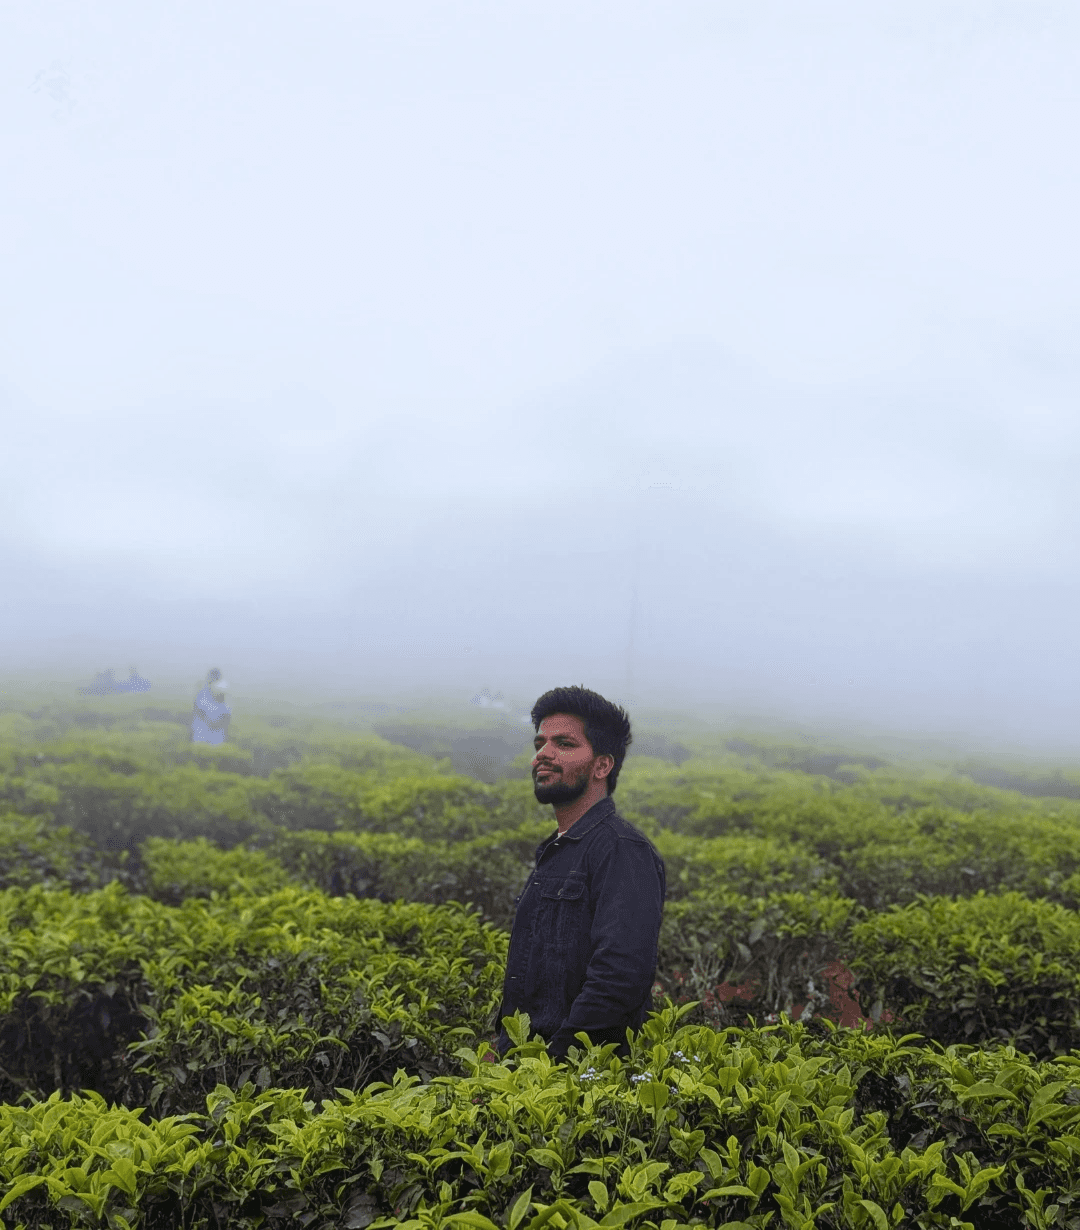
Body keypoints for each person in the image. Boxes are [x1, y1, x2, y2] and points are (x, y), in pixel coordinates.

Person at [497, 685, 666, 1059]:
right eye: (540, 743)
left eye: (564, 744)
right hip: (523, 1075)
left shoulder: (622, 851)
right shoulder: (557, 849)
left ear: (602, 765)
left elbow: (619, 978)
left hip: (572, 1081)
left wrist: (557, 1064)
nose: (543, 754)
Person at [191, 669, 231, 745]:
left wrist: (217, 724)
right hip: (202, 734)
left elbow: (226, 717)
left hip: (216, 737)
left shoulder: (222, 693)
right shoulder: (201, 695)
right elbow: (198, 711)